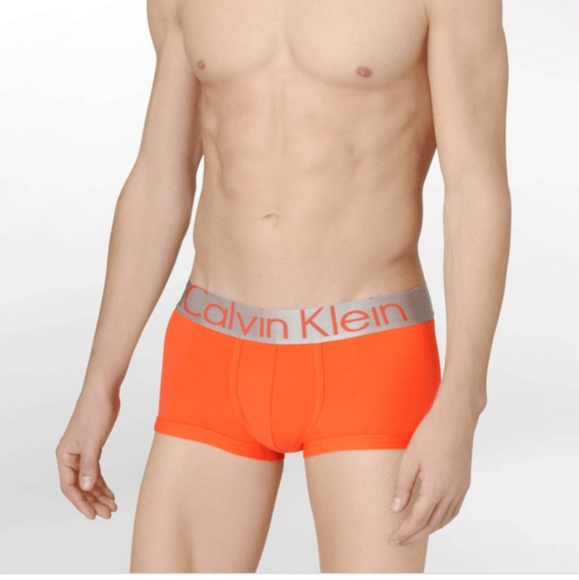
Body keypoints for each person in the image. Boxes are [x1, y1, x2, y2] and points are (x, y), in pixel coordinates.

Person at [55, 0, 511, 573]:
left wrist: (463, 402)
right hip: (211, 348)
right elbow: (159, 177)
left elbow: (475, 187)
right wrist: (100, 384)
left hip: (368, 353)